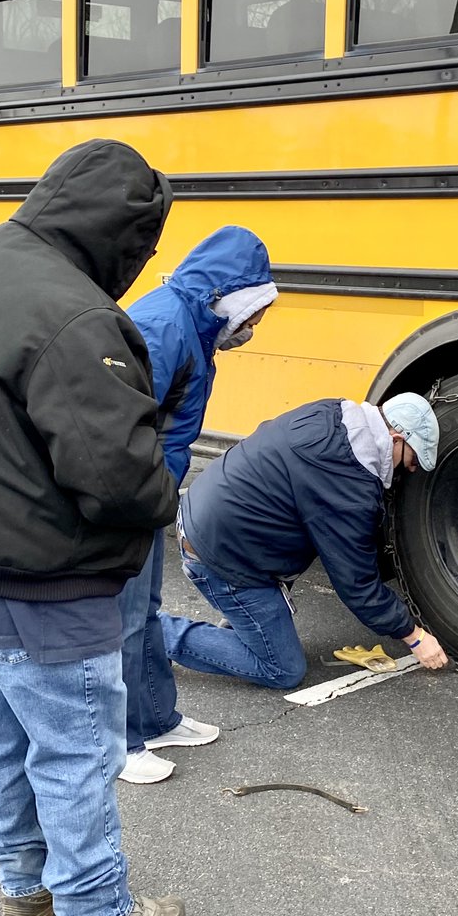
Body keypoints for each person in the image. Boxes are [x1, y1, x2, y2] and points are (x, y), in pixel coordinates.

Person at [0, 139, 187, 916]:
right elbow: (117, 477)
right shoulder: (72, 312)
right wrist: (165, 499)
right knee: (72, 746)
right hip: (44, 583)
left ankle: (25, 887)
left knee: (0, 733)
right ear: (125, 233)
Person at [119, 226, 278, 785]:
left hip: (151, 486)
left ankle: (156, 719)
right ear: (227, 297)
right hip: (133, 491)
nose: (254, 327)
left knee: (142, 610)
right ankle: (122, 741)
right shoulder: (165, 328)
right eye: (253, 313)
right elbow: (123, 424)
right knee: (122, 618)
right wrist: (141, 496)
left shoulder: (188, 323)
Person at [161, 393, 450, 687]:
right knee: (282, 669)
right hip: (221, 554)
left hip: (210, 519)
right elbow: (356, 584)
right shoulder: (348, 482)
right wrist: (415, 637)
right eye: (413, 458)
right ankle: (156, 633)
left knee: (262, 630)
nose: (412, 469)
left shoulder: (332, 412)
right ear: (396, 437)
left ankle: (245, 626)